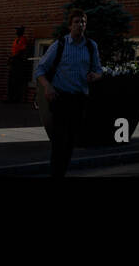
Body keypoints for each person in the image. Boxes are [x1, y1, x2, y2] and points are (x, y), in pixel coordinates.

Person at [34, 9, 102, 176]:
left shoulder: (91, 46)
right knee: (59, 141)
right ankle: (56, 173)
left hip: (79, 99)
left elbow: (99, 70)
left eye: (83, 22)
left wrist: (95, 76)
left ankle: (61, 172)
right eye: (77, 22)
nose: (80, 25)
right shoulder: (60, 45)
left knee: (71, 140)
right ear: (70, 25)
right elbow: (40, 70)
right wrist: (47, 87)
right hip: (60, 98)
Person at [7, 26, 33, 103]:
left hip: (19, 62)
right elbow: (14, 50)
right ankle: (10, 97)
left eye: (18, 30)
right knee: (10, 80)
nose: (16, 31)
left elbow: (22, 51)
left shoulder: (23, 39)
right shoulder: (16, 40)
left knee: (16, 81)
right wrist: (10, 57)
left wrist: (14, 57)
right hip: (13, 61)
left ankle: (16, 98)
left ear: (21, 31)